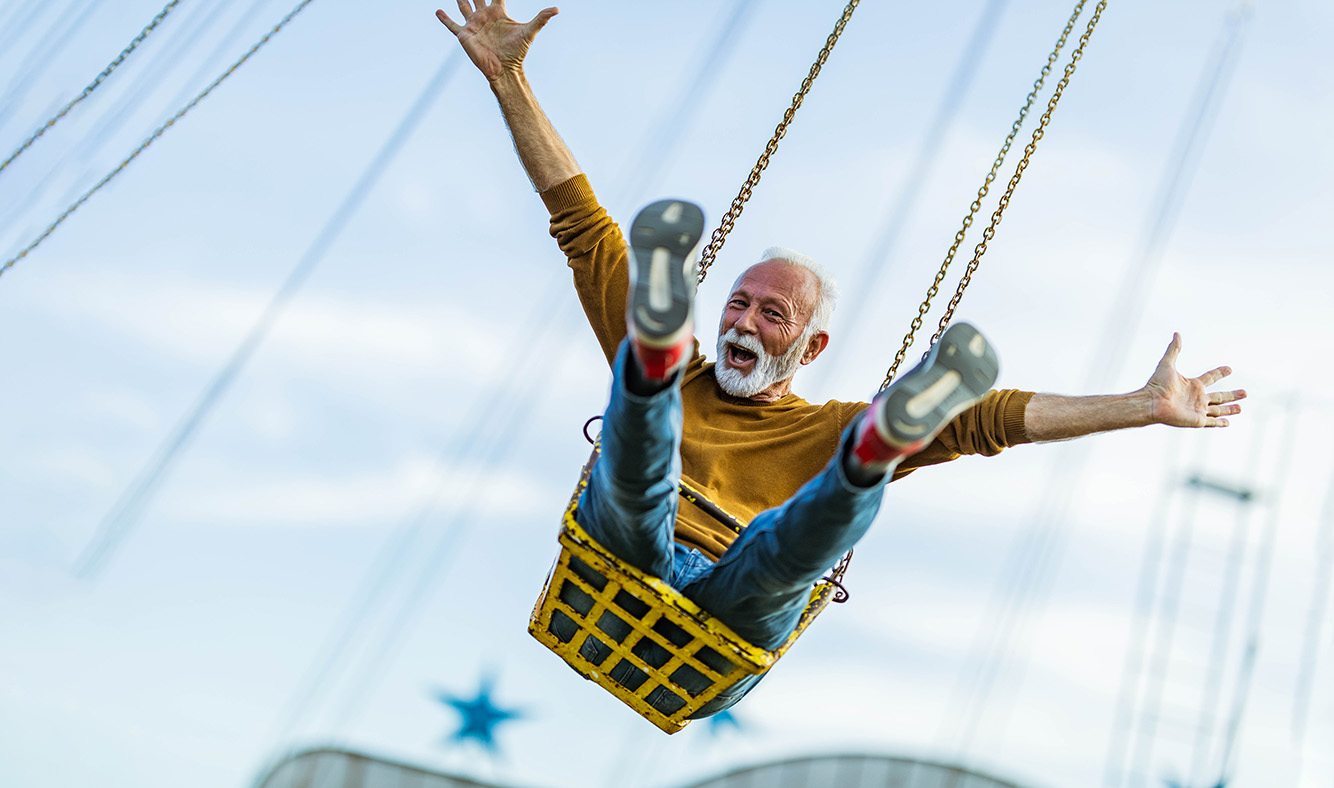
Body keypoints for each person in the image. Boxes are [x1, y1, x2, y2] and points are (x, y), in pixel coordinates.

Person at [436, 0, 1247, 716]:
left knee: (788, 552)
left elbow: (991, 420)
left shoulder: (819, 424)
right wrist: (509, 82)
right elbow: (581, 223)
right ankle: (651, 364)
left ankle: (873, 452)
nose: (743, 321)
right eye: (737, 303)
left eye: (772, 313)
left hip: (727, 620)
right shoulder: (696, 370)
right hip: (623, 563)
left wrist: (1140, 406)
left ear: (813, 345)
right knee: (637, 476)